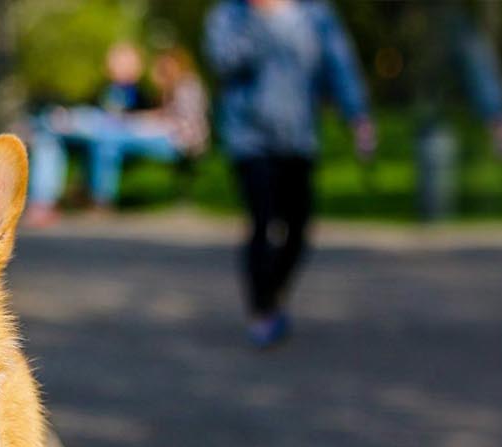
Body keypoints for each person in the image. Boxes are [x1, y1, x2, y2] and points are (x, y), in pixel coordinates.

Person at [205, 0, 374, 349]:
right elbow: (224, 60)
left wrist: (357, 115)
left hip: (299, 136)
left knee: (298, 228)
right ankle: (262, 310)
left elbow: (338, 64)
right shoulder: (231, 13)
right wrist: (259, 19)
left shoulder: (316, 14)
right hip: (250, 138)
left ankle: (274, 289)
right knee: (263, 221)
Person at [25, 42, 208, 224]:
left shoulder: (179, 87)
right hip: (109, 133)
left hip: (177, 142)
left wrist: (140, 121)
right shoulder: (106, 88)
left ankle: (95, 198)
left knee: (105, 137)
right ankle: (46, 201)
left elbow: (178, 124)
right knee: (51, 137)